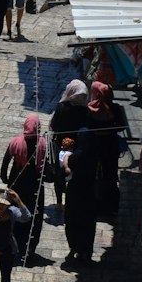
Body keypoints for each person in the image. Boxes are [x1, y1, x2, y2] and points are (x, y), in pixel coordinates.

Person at [0, 115, 47, 263]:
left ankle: (14, 245)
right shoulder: (43, 144)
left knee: (14, 213)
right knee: (34, 215)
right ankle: (30, 247)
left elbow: (6, 159)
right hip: (34, 185)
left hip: (16, 182)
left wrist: (5, 177)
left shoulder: (16, 141)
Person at [87, 80, 128, 222]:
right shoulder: (115, 108)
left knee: (95, 177)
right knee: (110, 177)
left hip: (95, 148)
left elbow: (87, 126)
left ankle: (95, 206)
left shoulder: (91, 108)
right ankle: (111, 208)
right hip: (111, 147)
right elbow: (123, 127)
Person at [49, 79, 90, 207]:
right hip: (77, 147)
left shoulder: (61, 107)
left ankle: (59, 201)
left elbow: (54, 125)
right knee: (74, 172)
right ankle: (71, 200)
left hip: (60, 144)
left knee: (59, 173)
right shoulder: (85, 111)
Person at [60, 132, 99, 265]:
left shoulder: (76, 156)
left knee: (72, 219)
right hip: (89, 193)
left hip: (75, 192)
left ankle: (74, 246)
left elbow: (66, 165)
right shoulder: (94, 155)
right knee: (88, 223)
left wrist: (66, 162)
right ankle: (85, 252)